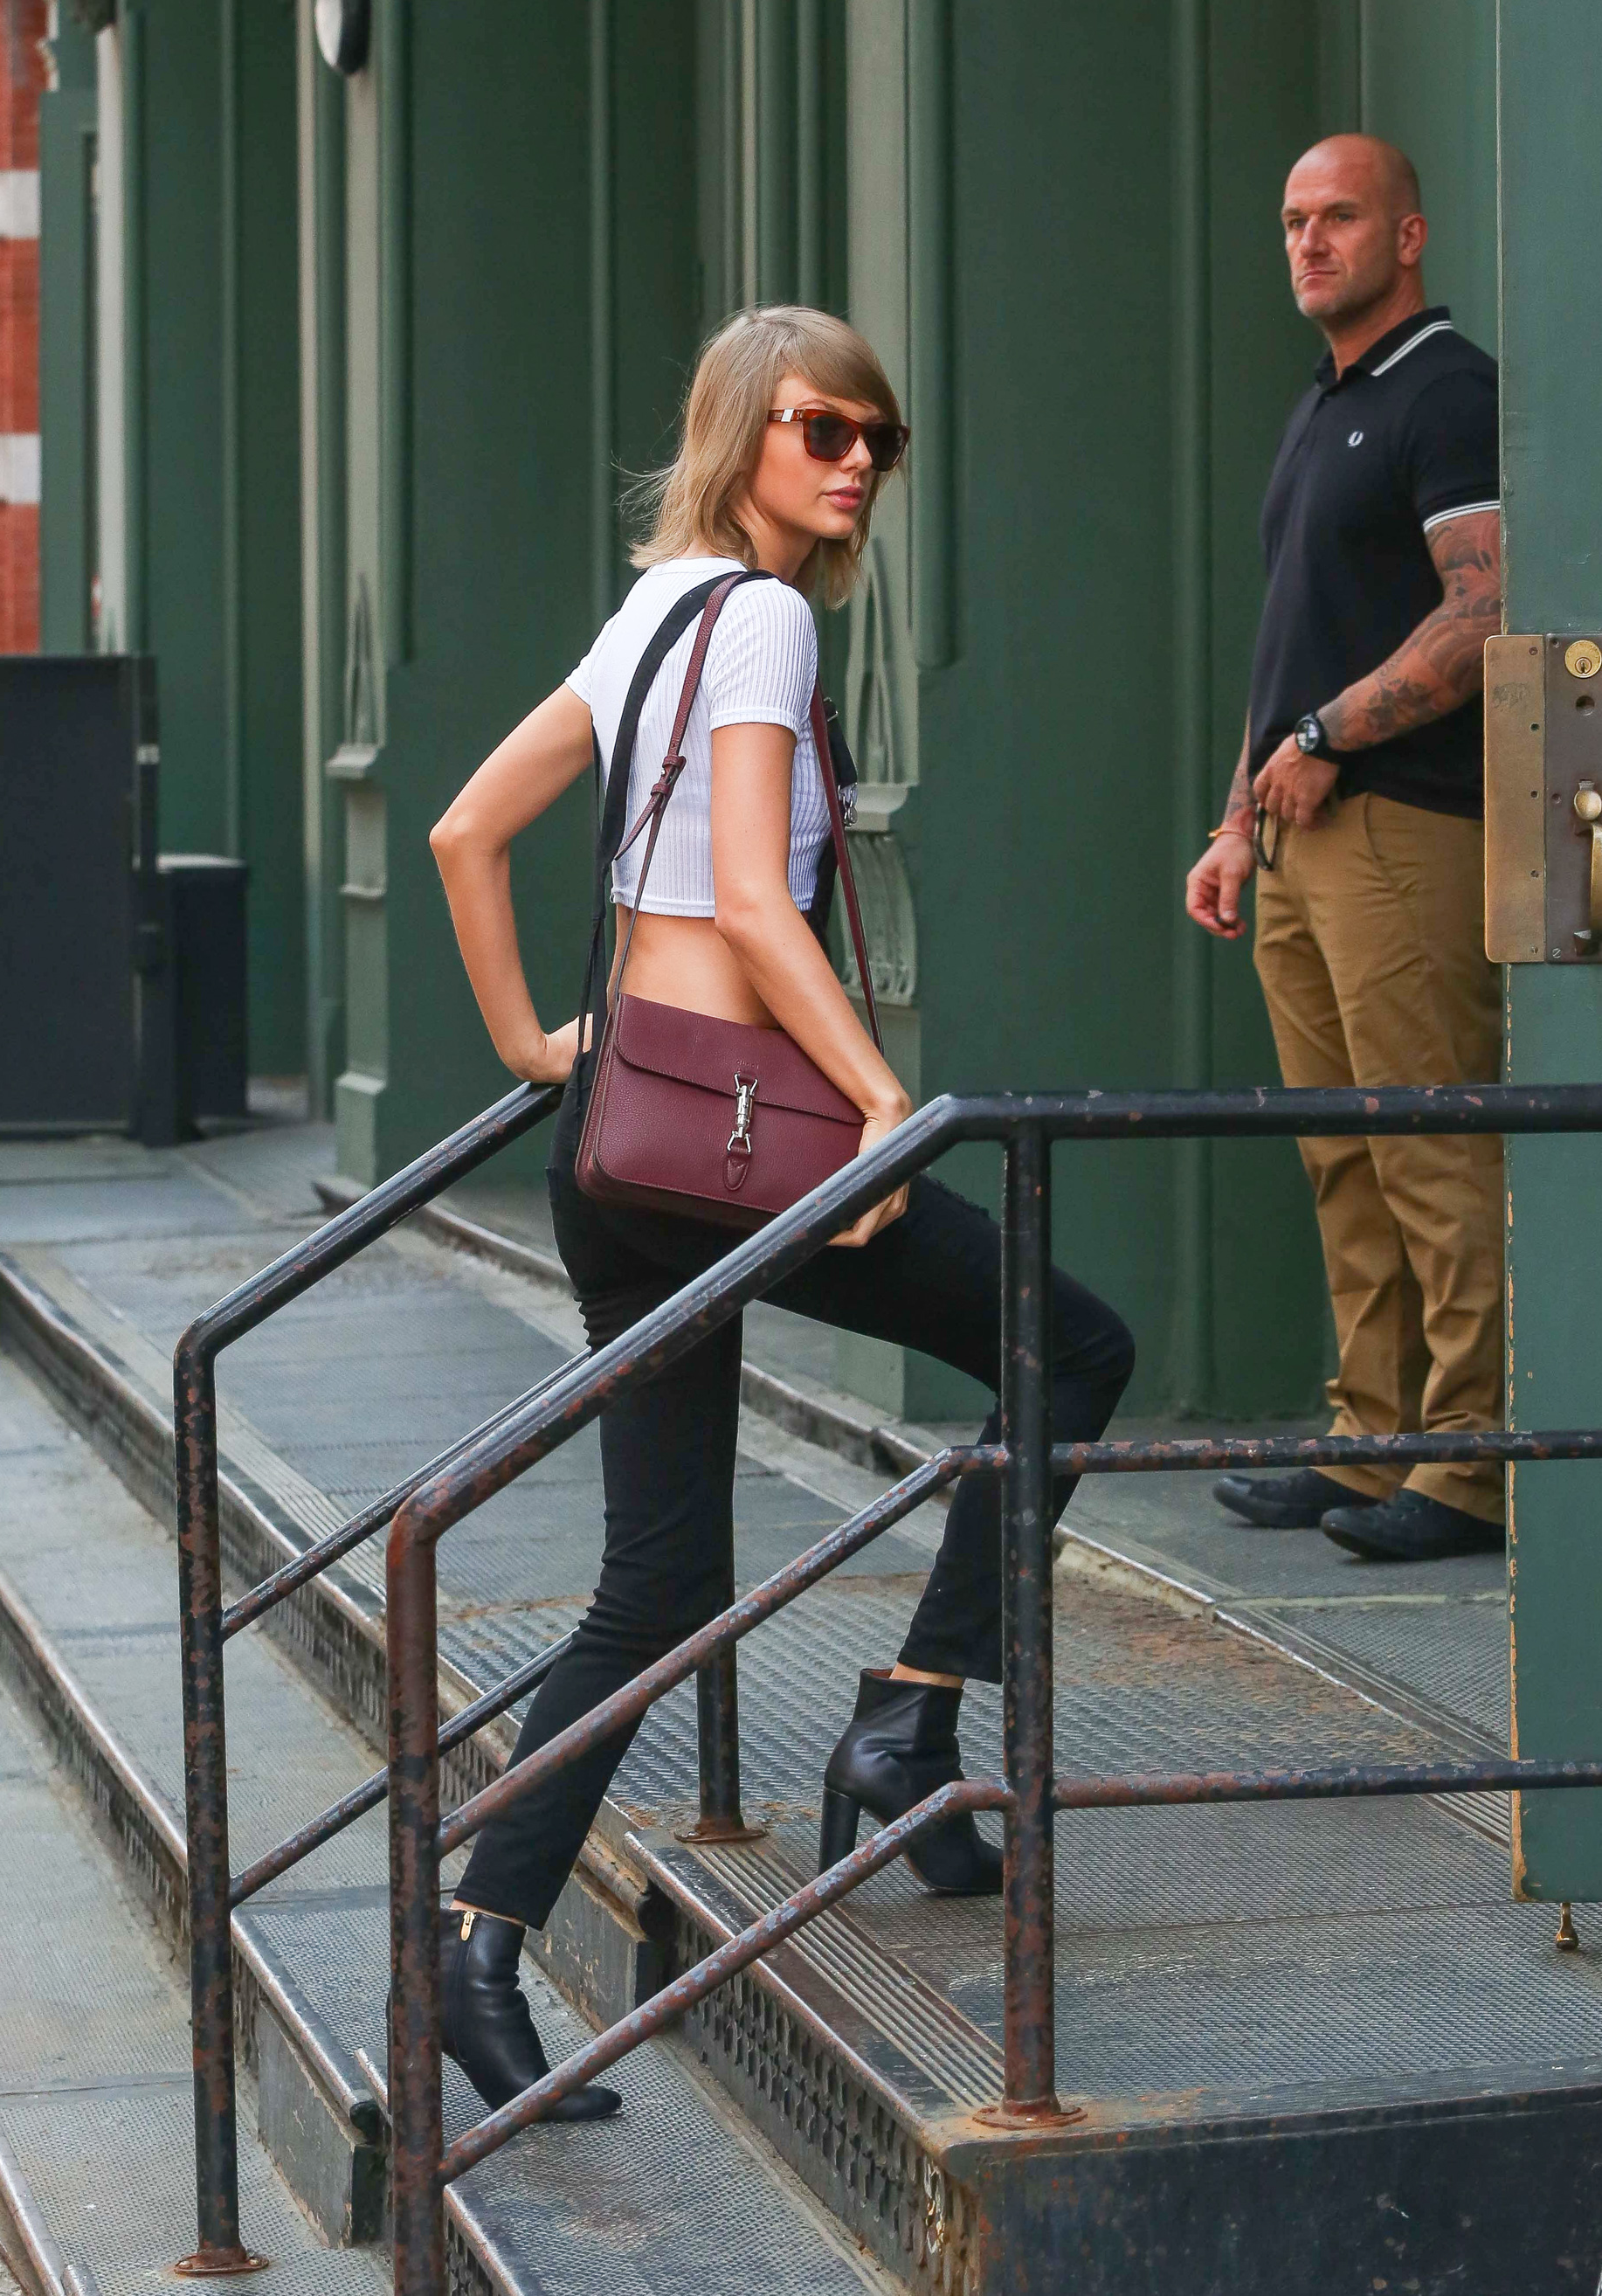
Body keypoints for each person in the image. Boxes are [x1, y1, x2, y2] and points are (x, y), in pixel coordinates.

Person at [426, 306, 1134, 2124]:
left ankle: (476, 1943)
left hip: (623, 1148)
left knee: (659, 1579)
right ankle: (908, 1722)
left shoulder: (645, 610)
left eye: (875, 441)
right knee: (1071, 1340)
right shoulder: (759, 616)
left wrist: (531, 1045)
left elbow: (462, 833)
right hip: (749, 1149)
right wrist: (884, 1103)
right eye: (821, 429)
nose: (851, 465)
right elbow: (751, 899)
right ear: (740, 432)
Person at [1184, 135, 1502, 1564]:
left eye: (1339, 219)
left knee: (1428, 1148)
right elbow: (1291, 642)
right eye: (1291, 220)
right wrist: (1233, 820)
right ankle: (1371, 1439)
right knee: (1342, 1157)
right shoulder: (1325, 406)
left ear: (1409, 235)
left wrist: (1320, 738)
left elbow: (1485, 616)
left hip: (1406, 827)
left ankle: (1474, 1470)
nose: (1308, 243)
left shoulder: (1448, 391)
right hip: (1304, 833)